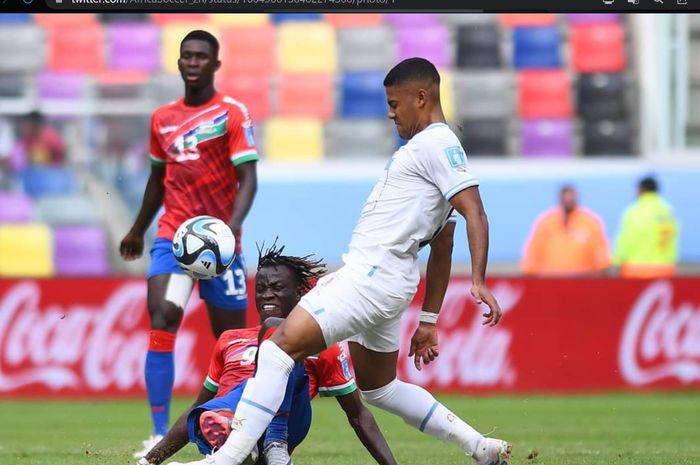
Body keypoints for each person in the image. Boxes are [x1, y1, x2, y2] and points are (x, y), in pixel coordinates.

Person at [173, 58, 512, 465]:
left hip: (370, 276)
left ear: (421, 98)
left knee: (278, 348)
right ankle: (480, 447)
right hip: (392, 281)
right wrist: (429, 320)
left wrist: (478, 280)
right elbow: (443, 244)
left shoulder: (436, 143)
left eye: (394, 103)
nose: (390, 113)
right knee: (379, 387)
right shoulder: (430, 153)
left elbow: (475, 211)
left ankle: (225, 459)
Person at [119, 30, 259, 457]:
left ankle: (237, 430)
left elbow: (249, 179)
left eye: (201, 56)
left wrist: (229, 234)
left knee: (232, 340)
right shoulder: (161, 118)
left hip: (222, 246)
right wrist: (138, 229)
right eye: (187, 56)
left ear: (215, 65)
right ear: (179, 63)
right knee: (162, 317)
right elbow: (158, 180)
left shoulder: (232, 114)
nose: (193, 62)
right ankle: (159, 432)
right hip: (174, 237)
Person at [141, 243, 396, 465]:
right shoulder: (230, 339)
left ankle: (260, 439)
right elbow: (198, 406)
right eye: (260, 288)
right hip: (224, 418)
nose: (266, 294)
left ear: (299, 293)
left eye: (276, 287)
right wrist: (150, 460)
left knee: (281, 339)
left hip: (286, 424)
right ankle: (236, 439)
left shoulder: (322, 344)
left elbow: (358, 414)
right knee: (207, 412)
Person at [521, 185, 611, 276]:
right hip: (549, 281)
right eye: (565, 198)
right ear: (560, 200)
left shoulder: (591, 223)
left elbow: (602, 261)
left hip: (583, 282)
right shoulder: (545, 223)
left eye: (571, 198)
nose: (568, 201)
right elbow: (532, 257)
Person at [614, 176, 679, 278]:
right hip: (665, 270)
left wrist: (617, 262)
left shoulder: (634, 212)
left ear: (641, 189)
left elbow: (625, 240)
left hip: (637, 271)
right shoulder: (668, 211)